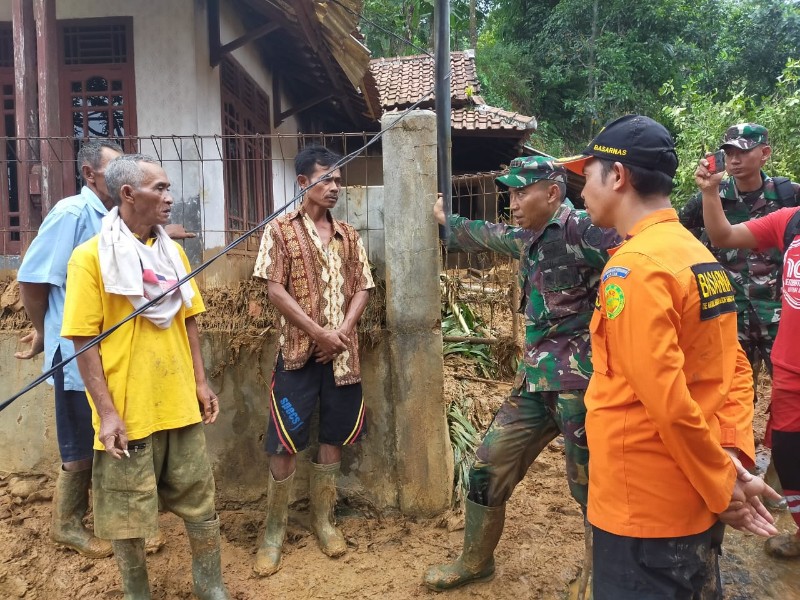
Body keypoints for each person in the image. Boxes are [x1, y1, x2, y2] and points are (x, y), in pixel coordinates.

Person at [558, 114, 781, 599]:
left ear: (618, 177)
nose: (580, 191)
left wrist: (722, 483)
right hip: (690, 501)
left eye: (587, 175)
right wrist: (728, 457)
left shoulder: (634, 269)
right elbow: (735, 368)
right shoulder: (696, 257)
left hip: (643, 510)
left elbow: (665, 399)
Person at [423, 156, 618, 591]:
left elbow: (637, 259)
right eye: (508, 192)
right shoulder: (529, 236)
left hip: (582, 390)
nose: (510, 201)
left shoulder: (581, 230)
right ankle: (475, 561)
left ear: (551, 193)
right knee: (487, 466)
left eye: (519, 192)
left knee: (591, 490)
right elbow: (487, 235)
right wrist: (445, 220)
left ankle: (600, 581)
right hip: (534, 384)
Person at [61, 154, 229, 599]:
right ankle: (138, 592)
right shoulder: (90, 258)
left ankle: (209, 584)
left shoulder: (172, 252)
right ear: (128, 195)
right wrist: (108, 413)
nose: (169, 197)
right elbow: (84, 342)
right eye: (159, 188)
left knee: (200, 498)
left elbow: (189, 319)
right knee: (126, 511)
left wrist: (200, 381)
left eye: (169, 188)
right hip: (128, 412)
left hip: (177, 402)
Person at [16, 140, 193, 558]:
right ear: (89, 174)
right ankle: (68, 524)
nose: (120, 178)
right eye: (113, 170)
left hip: (116, 352)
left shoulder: (120, 220)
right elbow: (33, 279)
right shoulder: (73, 214)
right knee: (84, 436)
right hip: (79, 351)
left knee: (121, 431)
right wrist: (45, 331)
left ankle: (123, 520)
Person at [251, 145, 374, 577]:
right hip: (298, 355)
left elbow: (363, 287)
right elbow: (274, 290)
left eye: (339, 180)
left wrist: (339, 334)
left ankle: (324, 521)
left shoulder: (349, 235)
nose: (335, 187)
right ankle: (274, 531)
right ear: (303, 183)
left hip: (342, 358)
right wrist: (318, 332)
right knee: (284, 438)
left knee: (332, 436)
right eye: (327, 179)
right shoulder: (280, 231)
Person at [697, 155, 800, 559]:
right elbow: (723, 235)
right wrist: (709, 191)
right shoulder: (790, 220)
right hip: (790, 374)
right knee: (792, 461)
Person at [679, 124, 800, 396]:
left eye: (743, 152)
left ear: (765, 153)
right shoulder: (707, 199)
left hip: (778, 314)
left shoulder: (788, 196)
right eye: (729, 152)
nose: (734, 160)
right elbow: (676, 237)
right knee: (733, 394)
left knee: (791, 390)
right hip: (728, 313)